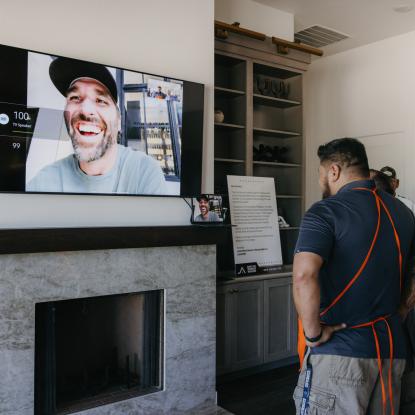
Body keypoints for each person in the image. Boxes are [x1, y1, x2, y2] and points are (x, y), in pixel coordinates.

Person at [292, 138, 415, 414]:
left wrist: (312, 335)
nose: (322, 181)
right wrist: (401, 311)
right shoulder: (404, 213)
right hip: (392, 352)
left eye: (322, 174)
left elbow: (303, 275)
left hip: (340, 356)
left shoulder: (325, 211)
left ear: (333, 171)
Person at [27, 57, 167, 195]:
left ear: (119, 122)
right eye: (75, 97)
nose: (85, 110)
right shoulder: (43, 182)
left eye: (100, 100)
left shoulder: (144, 173)